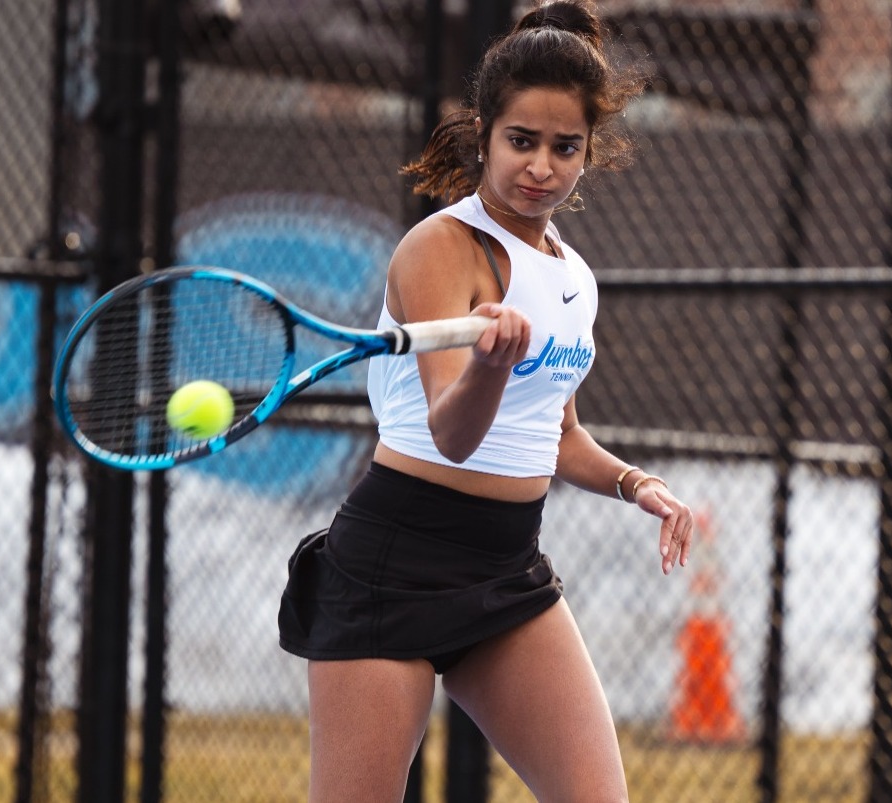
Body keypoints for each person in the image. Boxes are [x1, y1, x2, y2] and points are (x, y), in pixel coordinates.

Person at [278, 2, 694, 800]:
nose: (540, 165)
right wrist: (489, 365)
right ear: (484, 134)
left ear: (587, 153)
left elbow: (558, 434)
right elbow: (452, 433)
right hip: (391, 563)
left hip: (505, 567)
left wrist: (635, 483)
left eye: (563, 147)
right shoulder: (440, 246)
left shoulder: (573, 277)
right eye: (521, 141)